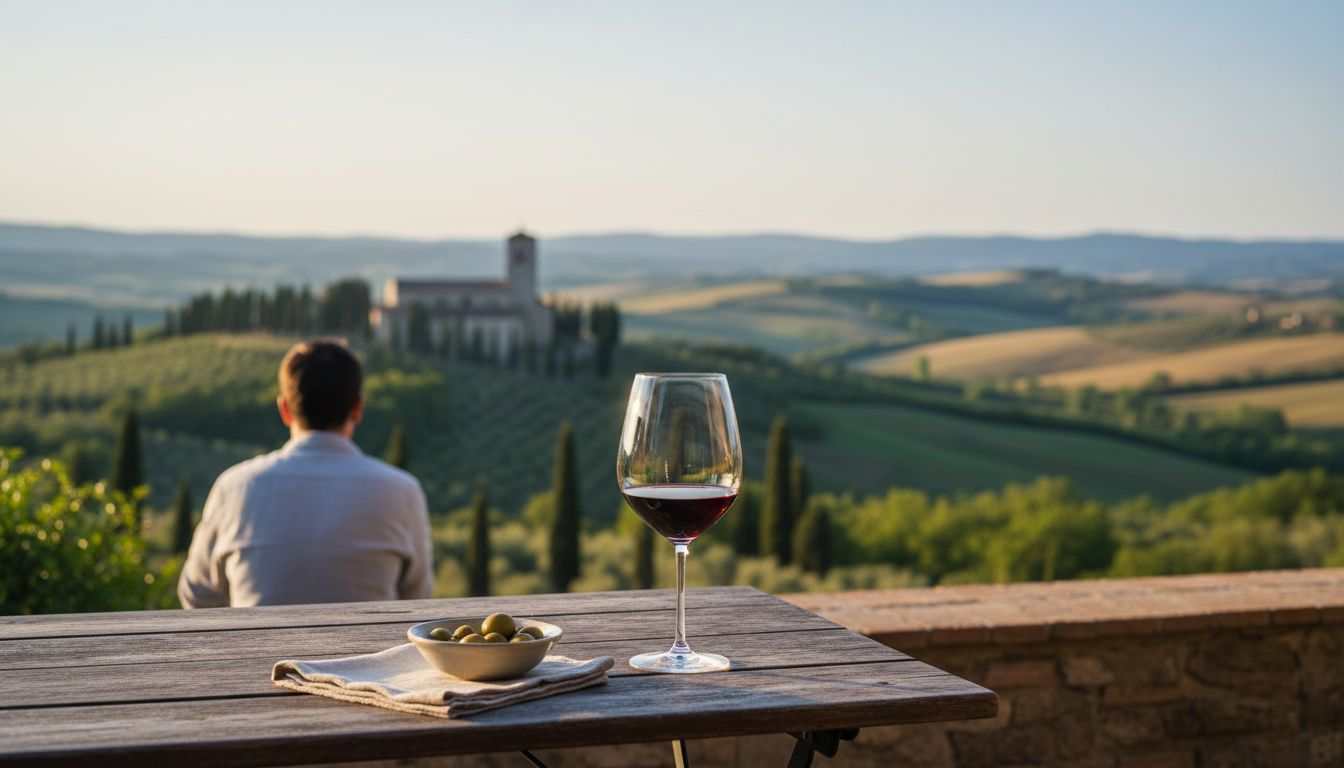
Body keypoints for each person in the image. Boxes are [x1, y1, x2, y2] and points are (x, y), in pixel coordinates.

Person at [178, 340, 433, 608]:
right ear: (357, 408)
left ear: (284, 409)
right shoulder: (402, 491)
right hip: (367, 649)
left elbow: (197, 595)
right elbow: (416, 597)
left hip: (260, 650)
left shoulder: (234, 487)